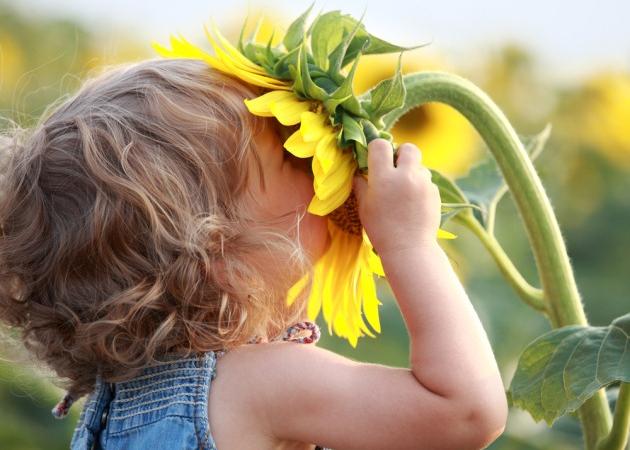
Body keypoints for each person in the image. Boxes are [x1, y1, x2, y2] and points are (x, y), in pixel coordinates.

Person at [0, 58, 508, 449]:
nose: (316, 170)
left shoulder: (113, 404)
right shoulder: (262, 384)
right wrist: (407, 241)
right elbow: (465, 412)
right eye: (291, 157)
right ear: (222, 256)